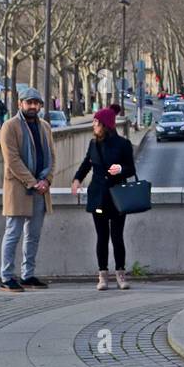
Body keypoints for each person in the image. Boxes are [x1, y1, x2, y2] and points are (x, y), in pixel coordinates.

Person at [71, 106, 137, 290]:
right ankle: (102, 275)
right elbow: (86, 164)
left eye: (96, 122)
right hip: (98, 196)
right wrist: (77, 180)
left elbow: (131, 169)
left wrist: (121, 169)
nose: (93, 125)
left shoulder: (123, 144)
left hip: (117, 196)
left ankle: (121, 274)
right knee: (102, 237)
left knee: (117, 236)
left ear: (105, 125)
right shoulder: (93, 144)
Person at [0, 88, 56, 293]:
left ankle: (27, 275)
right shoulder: (9, 126)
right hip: (19, 188)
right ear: (20, 104)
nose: (32, 106)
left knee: (33, 235)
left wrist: (46, 181)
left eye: (36, 103)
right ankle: (6, 277)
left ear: (40, 105)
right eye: (29, 102)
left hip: (41, 189)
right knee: (13, 233)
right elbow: (12, 160)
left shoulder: (45, 127)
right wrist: (33, 182)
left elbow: (52, 157)